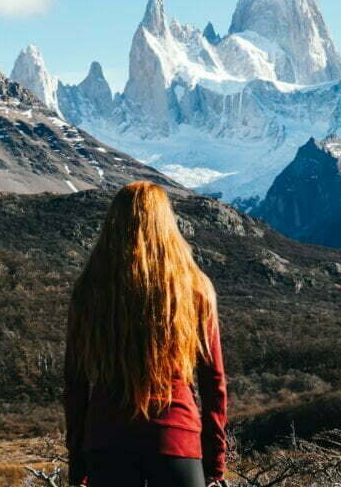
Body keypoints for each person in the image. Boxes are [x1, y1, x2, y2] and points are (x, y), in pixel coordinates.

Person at [64, 181, 228, 487]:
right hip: (176, 438)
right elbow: (213, 381)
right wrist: (215, 459)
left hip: (107, 441)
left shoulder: (90, 289)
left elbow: (75, 383)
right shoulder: (193, 287)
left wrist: (78, 458)